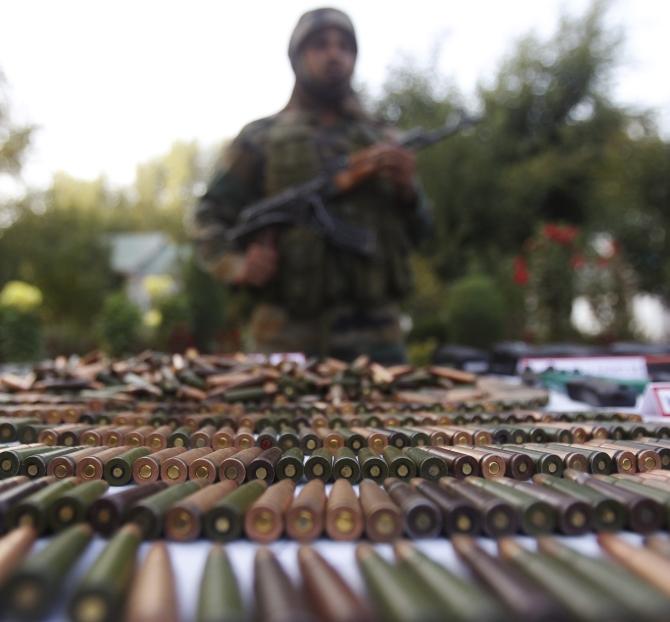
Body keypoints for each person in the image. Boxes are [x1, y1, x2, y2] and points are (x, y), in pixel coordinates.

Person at [190, 7, 431, 363]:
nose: (335, 54)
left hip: (379, 340)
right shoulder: (262, 139)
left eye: (345, 46)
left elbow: (423, 233)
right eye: (320, 45)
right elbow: (206, 216)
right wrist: (237, 264)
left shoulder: (382, 140)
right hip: (287, 337)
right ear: (297, 56)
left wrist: (409, 192)